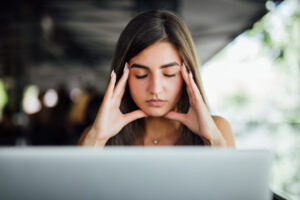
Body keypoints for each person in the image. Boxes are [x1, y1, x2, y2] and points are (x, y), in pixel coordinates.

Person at [79, 10, 235, 147]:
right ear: (123, 76)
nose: (155, 89)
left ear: (188, 73)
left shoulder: (218, 130)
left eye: (169, 73)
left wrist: (212, 139)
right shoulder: (95, 135)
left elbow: (233, 181)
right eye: (141, 75)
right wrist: (97, 139)